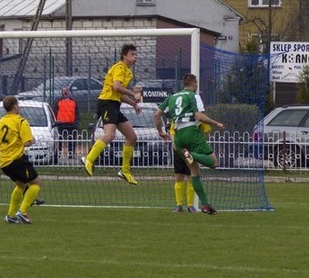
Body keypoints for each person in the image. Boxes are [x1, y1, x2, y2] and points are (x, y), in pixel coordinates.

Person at [154, 73, 225, 215]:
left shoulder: (172, 97)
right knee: (213, 162)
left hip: (178, 136)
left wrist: (161, 131)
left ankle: (205, 205)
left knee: (194, 172)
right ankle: (192, 154)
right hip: (191, 132)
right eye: (196, 84)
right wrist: (215, 123)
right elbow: (198, 116)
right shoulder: (191, 96)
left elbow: (157, 114)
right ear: (194, 84)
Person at [82, 43, 143, 184]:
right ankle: (89, 158)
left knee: (132, 137)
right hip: (106, 103)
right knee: (110, 135)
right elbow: (116, 87)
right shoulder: (119, 68)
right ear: (124, 56)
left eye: (136, 54)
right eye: (133, 54)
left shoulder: (128, 72)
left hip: (114, 104)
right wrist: (133, 93)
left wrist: (134, 104)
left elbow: (119, 93)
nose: (135, 57)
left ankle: (125, 171)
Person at [0, 96, 42, 224]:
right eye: (18, 105)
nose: (18, 107)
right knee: (36, 183)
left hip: (3, 162)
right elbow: (28, 142)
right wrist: (32, 140)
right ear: (14, 106)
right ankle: (23, 212)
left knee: (21, 184)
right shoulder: (20, 121)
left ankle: (11, 215)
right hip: (16, 159)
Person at [53, 87, 79, 159]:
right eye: (64, 91)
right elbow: (55, 111)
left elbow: (77, 112)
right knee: (60, 139)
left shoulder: (73, 101)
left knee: (71, 139)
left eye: (66, 90)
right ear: (61, 92)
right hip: (60, 123)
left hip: (71, 124)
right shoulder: (58, 101)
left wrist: (76, 122)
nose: (65, 92)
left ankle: (71, 153)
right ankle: (59, 153)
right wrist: (55, 121)